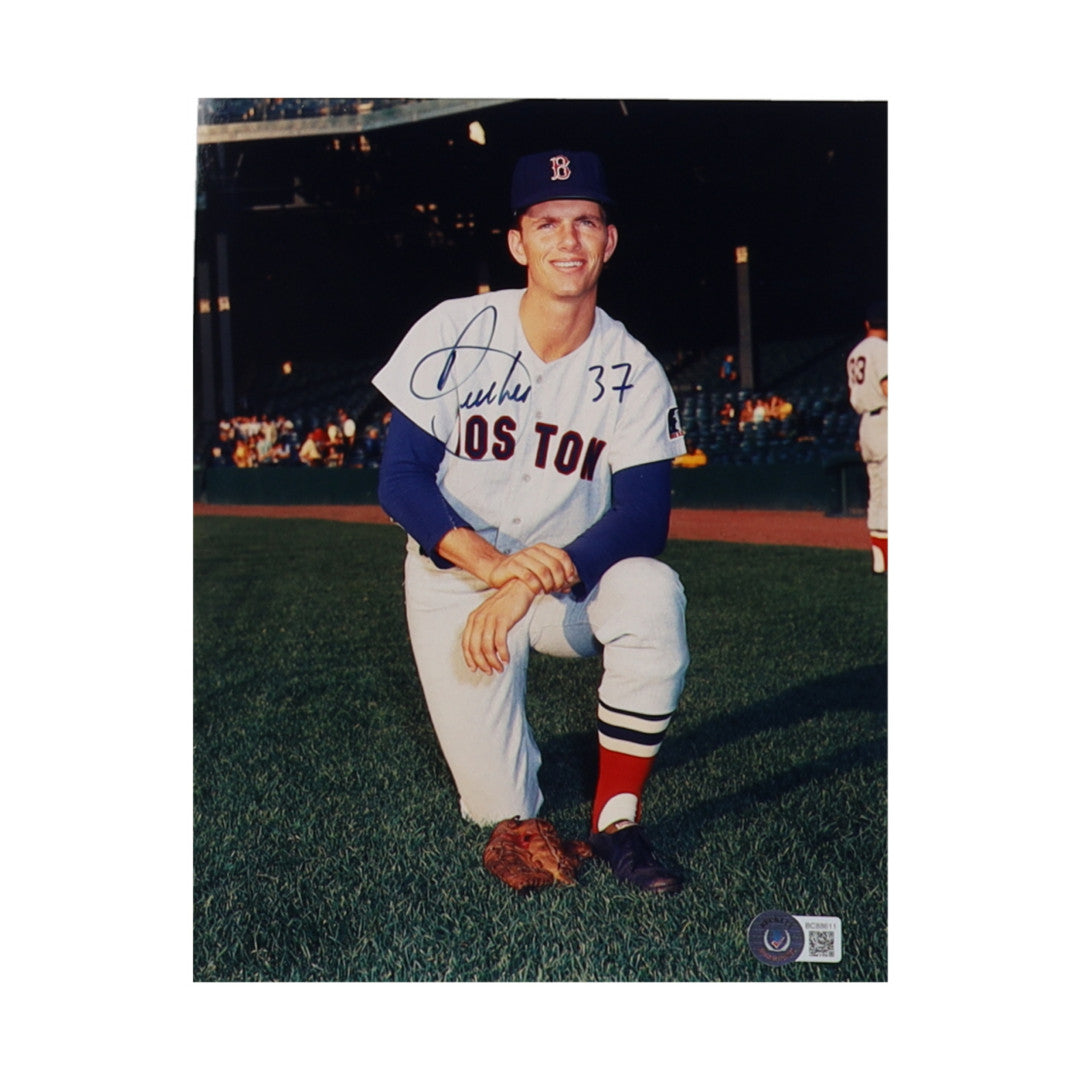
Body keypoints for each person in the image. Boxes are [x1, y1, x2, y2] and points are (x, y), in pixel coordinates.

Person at [373, 149, 690, 894]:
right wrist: (493, 572)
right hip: (457, 581)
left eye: (586, 221)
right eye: (547, 222)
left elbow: (645, 517)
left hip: (560, 586)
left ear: (609, 242)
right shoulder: (453, 328)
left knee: (649, 589)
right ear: (519, 243)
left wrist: (524, 586)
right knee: (502, 812)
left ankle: (617, 820)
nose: (568, 240)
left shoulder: (633, 369)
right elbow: (401, 481)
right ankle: (515, 764)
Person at [845, 300, 888, 573]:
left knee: (877, 492)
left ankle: (880, 562)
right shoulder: (883, 349)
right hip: (886, 419)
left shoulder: (855, 352)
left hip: (867, 423)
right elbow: (888, 385)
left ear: (867, 324)